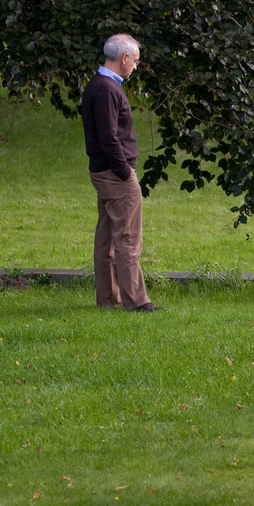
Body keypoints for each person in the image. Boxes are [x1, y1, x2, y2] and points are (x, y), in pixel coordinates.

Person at [80, 34, 161, 312]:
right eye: (135, 61)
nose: (135, 67)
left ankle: (108, 300)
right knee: (127, 238)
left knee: (106, 237)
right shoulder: (106, 90)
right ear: (124, 58)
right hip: (115, 175)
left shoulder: (98, 85)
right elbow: (109, 138)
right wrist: (125, 173)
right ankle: (137, 302)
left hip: (103, 173)